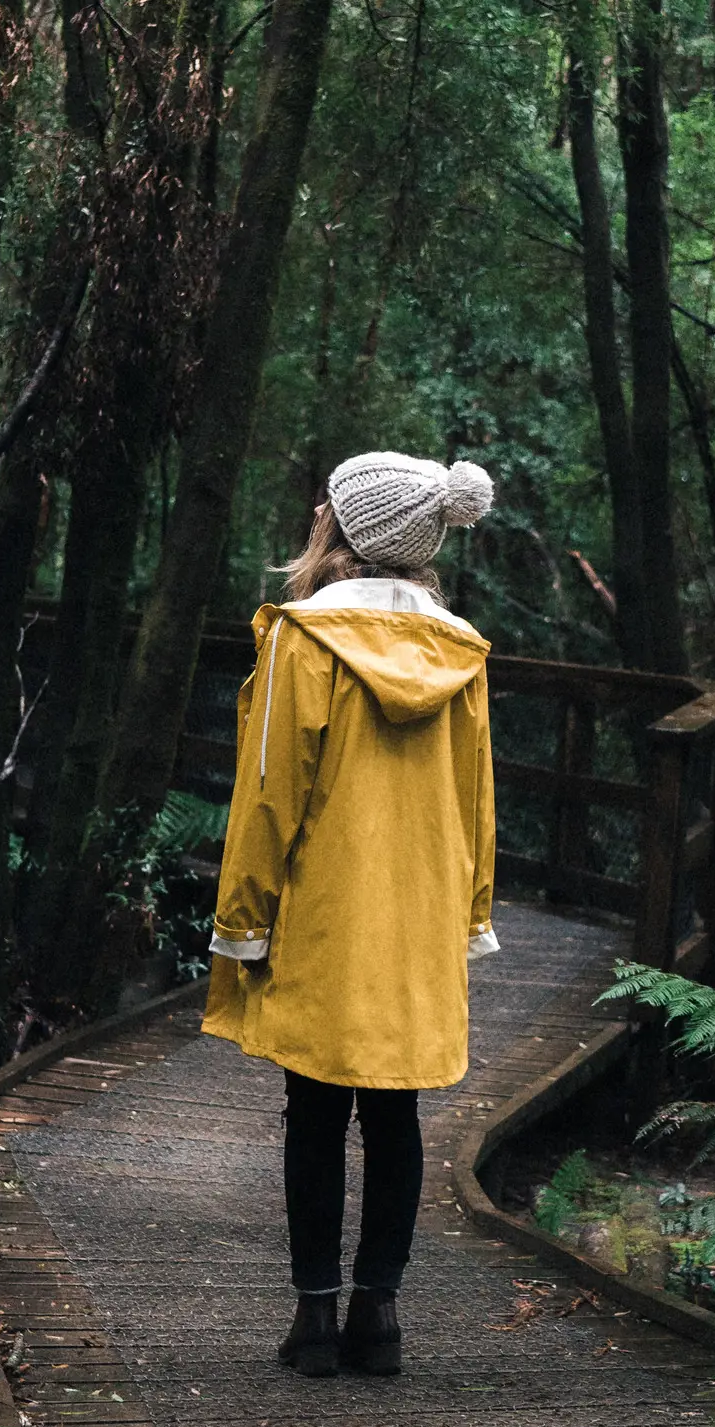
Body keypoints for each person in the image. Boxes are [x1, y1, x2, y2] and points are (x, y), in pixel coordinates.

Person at [203, 451, 500, 1378]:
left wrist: (241, 921)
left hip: (328, 913)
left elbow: (267, 794)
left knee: (315, 1110)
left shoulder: (305, 639)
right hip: (416, 914)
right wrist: (469, 915)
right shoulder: (461, 651)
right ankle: (381, 1316)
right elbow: (477, 798)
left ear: (342, 528)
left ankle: (314, 1320)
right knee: (397, 1112)